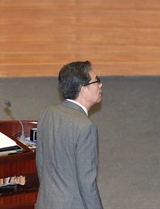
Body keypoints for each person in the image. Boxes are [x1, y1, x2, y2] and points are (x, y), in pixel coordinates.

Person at [36, 61, 104, 209]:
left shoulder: (47, 113)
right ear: (83, 90)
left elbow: (41, 164)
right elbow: (87, 182)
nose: (100, 85)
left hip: (46, 202)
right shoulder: (86, 127)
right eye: (96, 80)